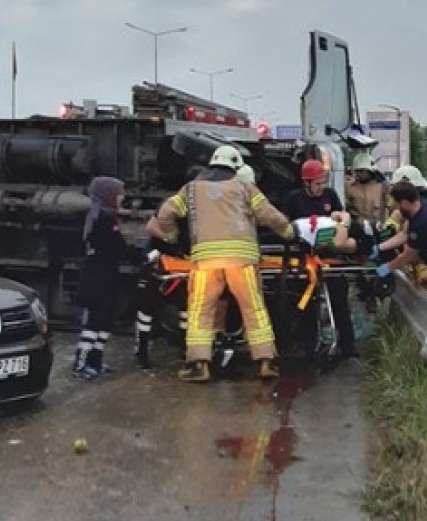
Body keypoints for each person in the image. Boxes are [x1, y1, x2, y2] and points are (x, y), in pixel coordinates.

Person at [150, 145, 296, 383]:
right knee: (254, 309)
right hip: (242, 261)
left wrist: (173, 237)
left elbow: (165, 213)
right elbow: (270, 215)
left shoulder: (191, 189)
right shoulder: (245, 188)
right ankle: (265, 363)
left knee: (201, 311)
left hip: (205, 261)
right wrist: (290, 233)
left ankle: (199, 366)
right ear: (236, 166)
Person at [284, 159, 358, 359]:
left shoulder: (330, 196)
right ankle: (308, 347)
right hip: (306, 260)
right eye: (317, 183)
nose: (321, 187)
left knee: (339, 302)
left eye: (323, 182)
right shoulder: (294, 199)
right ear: (306, 183)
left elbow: (342, 222)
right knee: (305, 305)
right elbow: (288, 228)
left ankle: (348, 347)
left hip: (330, 257)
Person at [73, 177, 127, 380]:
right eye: (119, 192)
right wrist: (144, 257)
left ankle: (95, 361)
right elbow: (117, 247)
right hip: (98, 279)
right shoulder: (104, 219)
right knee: (95, 321)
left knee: (104, 320)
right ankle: (81, 364)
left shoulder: (99, 216)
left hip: (103, 277)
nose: (123, 196)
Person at [381, 182, 427, 285]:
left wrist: (386, 269)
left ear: (405, 203)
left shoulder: (422, 223)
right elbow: (405, 234)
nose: (397, 209)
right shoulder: (420, 205)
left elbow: (408, 255)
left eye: (398, 206)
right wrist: (380, 247)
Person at [345, 153, 388, 225]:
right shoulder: (350, 187)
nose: (358, 173)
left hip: (378, 230)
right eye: (356, 171)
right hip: (357, 230)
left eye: (361, 171)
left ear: (370, 170)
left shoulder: (383, 187)